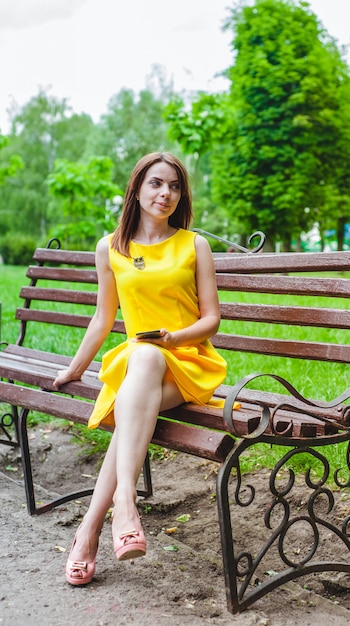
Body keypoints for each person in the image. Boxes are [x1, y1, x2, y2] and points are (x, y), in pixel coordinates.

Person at [53, 151, 227, 585]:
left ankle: (97, 523)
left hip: (188, 363)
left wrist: (173, 338)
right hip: (141, 366)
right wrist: (74, 370)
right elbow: (102, 319)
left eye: (174, 186)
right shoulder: (110, 248)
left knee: (143, 369)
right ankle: (110, 518)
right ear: (136, 188)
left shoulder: (193, 245)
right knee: (141, 366)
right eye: (156, 183)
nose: (165, 193)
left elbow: (211, 319)